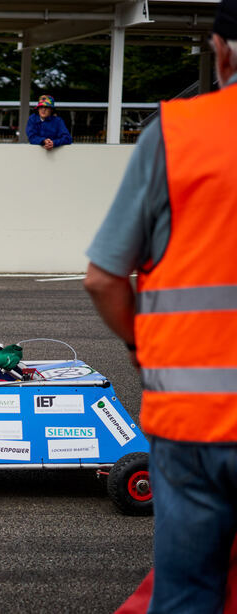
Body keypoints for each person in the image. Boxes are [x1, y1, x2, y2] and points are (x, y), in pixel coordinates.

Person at [83, 1, 237, 610]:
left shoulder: (177, 134)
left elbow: (103, 279)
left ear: (221, 51)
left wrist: (139, 347)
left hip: (194, 422)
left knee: (186, 593)